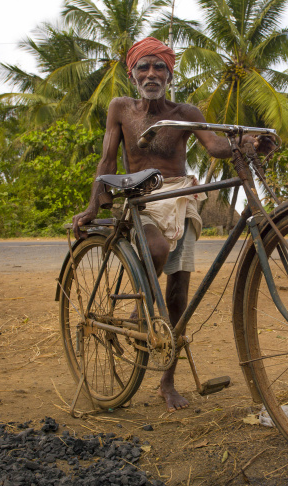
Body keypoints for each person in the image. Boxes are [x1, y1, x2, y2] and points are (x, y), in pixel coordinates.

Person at [72, 37, 271, 412]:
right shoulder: (120, 108)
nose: (151, 74)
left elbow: (214, 146)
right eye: (143, 67)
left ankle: (167, 383)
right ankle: (139, 311)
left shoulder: (186, 112)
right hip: (141, 200)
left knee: (179, 295)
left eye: (159, 67)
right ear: (132, 74)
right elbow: (106, 161)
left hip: (180, 198)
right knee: (157, 248)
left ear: (169, 73)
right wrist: (92, 206)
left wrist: (246, 142)